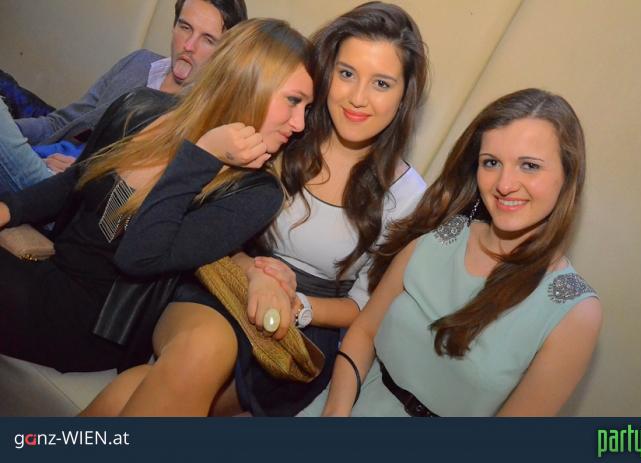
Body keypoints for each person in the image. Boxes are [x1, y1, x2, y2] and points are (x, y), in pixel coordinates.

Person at [82, 1, 428, 417]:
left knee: (141, 387)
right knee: (202, 349)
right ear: (327, 72)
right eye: (347, 73)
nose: (358, 98)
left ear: (405, 94)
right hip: (219, 281)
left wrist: (296, 305)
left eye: (382, 83)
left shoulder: (407, 194)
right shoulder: (285, 129)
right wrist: (252, 272)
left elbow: (365, 309)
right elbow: (200, 209)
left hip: (302, 326)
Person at [0, 18, 313, 387]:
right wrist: (8, 209)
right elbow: (74, 181)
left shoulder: (255, 192)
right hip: (50, 269)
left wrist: (201, 155)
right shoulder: (142, 107)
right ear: (248, 82)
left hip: (90, 323)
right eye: (294, 101)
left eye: (306, 107)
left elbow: (139, 256)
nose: (300, 123)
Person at [302, 88, 603, 417]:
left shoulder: (573, 313)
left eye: (529, 166)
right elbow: (364, 331)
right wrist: (336, 411)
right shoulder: (439, 237)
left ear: (568, 175)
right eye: (491, 163)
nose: (504, 184)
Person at [0, 0, 247, 194]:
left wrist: (81, 173)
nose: (189, 46)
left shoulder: (209, 121)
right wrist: (12, 131)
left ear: (225, 54)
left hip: (72, 199)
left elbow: (149, 198)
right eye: (185, 27)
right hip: (43, 162)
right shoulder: (138, 63)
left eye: (208, 39)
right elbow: (61, 122)